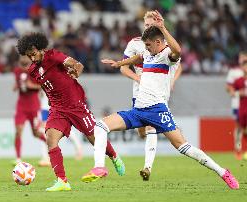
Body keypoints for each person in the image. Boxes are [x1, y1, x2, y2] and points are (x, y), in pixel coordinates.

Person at [82, 10, 239, 190]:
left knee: (183, 146)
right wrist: (120, 63)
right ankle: (100, 167)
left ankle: (222, 172)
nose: (146, 48)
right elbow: (139, 57)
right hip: (138, 110)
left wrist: (163, 28)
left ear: (158, 42)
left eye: (149, 45)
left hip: (157, 110)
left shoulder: (167, 55)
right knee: (100, 126)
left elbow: (178, 51)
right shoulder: (149, 53)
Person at [16, 32, 125, 192]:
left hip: (75, 105)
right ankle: (62, 181)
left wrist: (76, 71)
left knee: (94, 138)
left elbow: (77, 64)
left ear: (40, 49)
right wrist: (49, 99)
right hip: (57, 109)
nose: (32, 59)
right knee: (51, 139)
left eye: (33, 54)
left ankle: (114, 157)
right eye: (28, 56)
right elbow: (46, 86)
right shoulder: (33, 70)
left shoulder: (53, 56)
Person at [121, 10, 182, 181]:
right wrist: (138, 78)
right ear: (143, 25)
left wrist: (172, 80)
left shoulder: (163, 45)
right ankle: (163, 130)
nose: (148, 27)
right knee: (142, 132)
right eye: (147, 25)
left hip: (158, 92)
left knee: (151, 128)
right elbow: (124, 67)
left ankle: (147, 167)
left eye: (152, 25)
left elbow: (178, 63)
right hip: (139, 91)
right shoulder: (134, 43)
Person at [13, 56, 47, 165]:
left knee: (36, 133)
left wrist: (31, 85)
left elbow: (42, 85)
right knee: (18, 131)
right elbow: (19, 83)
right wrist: (17, 86)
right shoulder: (17, 71)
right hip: (21, 106)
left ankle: (49, 144)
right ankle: (18, 158)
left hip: (33, 106)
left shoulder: (34, 70)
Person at [40, 91, 83, 161]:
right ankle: (45, 157)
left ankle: (78, 147)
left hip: (57, 107)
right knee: (44, 131)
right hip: (45, 108)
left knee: (65, 129)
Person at [226, 51, 247, 160]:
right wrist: (235, 92)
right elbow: (229, 88)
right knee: (239, 127)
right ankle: (238, 149)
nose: (243, 59)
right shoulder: (233, 72)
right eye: (241, 58)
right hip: (238, 105)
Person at [231, 59, 247, 160]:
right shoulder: (239, 81)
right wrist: (238, 93)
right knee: (240, 130)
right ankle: (238, 150)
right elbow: (231, 90)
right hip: (242, 109)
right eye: (245, 66)